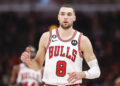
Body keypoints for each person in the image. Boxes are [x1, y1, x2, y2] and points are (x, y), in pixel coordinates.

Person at [21, 5, 101, 86]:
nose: (65, 17)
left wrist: (83, 74)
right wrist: (29, 61)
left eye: (69, 14)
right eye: (62, 14)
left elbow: (96, 71)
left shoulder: (83, 40)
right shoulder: (46, 37)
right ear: (58, 17)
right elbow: (37, 66)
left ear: (74, 18)